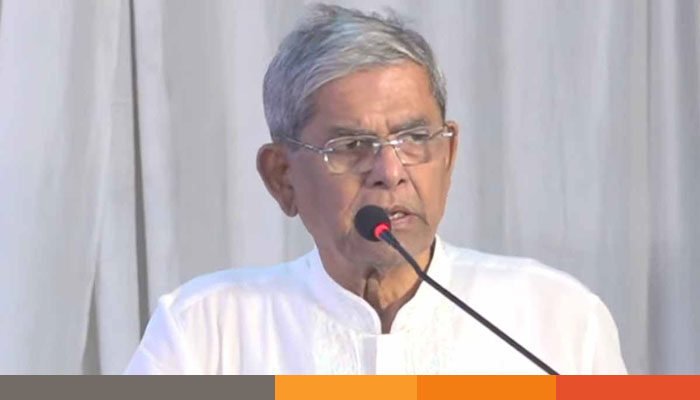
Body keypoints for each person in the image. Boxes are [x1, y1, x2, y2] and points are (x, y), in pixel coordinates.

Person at [124, 4, 627, 374]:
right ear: (282, 177)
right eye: (351, 145)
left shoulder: (557, 319)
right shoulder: (205, 332)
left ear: (449, 154)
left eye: (414, 138)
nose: (390, 171)